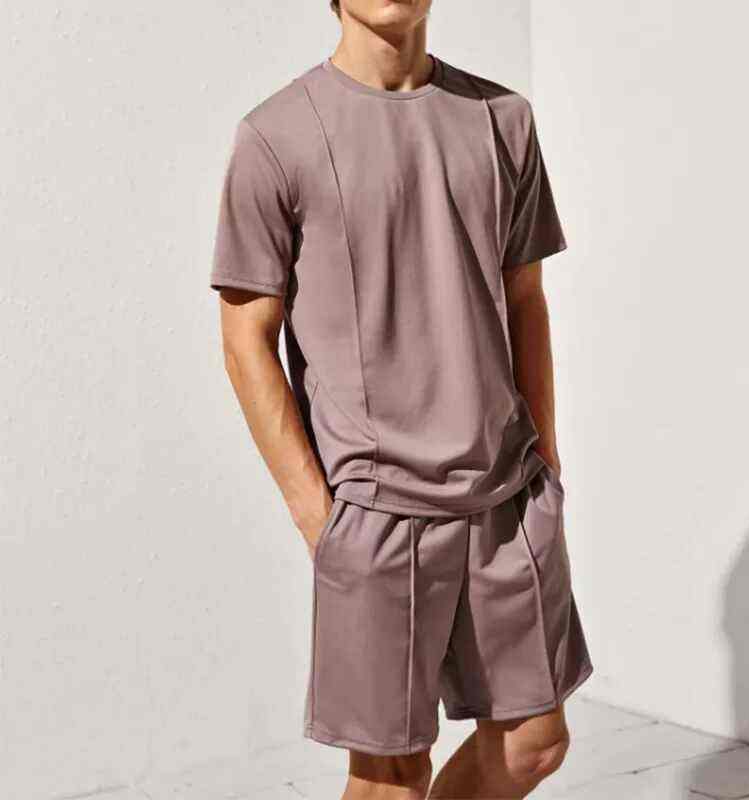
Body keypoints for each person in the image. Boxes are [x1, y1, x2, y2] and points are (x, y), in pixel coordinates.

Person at [209, 1, 592, 797]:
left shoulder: (502, 118)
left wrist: (545, 460)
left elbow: (525, 300)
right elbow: (246, 337)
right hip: (376, 513)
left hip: (506, 497)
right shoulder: (276, 137)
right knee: (392, 777)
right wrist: (318, 516)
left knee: (535, 743)